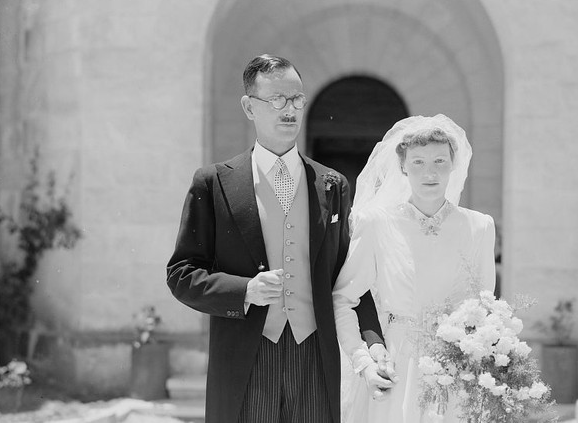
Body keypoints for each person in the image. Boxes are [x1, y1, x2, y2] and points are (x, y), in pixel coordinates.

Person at [167, 54, 391, 423]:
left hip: (316, 357)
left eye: (297, 99)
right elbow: (181, 273)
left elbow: (352, 278)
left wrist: (374, 340)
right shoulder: (213, 183)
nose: (289, 110)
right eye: (276, 100)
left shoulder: (332, 185)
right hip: (247, 357)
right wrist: (244, 290)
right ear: (249, 107)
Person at [333, 114, 497, 423]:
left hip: (456, 370)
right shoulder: (376, 223)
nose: (430, 172)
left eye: (439, 161)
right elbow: (343, 299)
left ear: (454, 164)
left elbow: (485, 305)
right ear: (403, 166)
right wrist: (363, 361)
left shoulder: (480, 227)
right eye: (418, 162)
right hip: (395, 363)